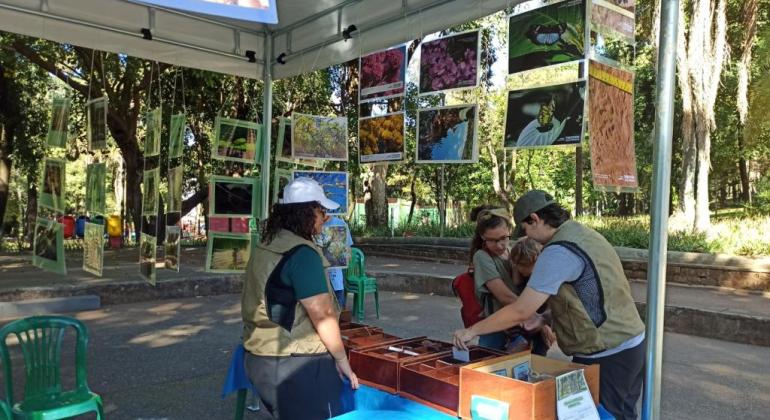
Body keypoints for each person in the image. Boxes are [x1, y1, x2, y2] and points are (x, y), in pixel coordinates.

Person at [454, 190, 645, 420]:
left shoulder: (559, 251)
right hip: (627, 343)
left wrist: (472, 331)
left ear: (534, 219)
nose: (527, 238)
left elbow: (520, 309)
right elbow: (585, 297)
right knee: (622, 413)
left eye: (524, 230)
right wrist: (544, 319)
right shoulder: (584, 234)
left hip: (607, 352)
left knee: (606, 415)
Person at [241, 177, 359, 420]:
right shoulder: (303, 255)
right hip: (295, 362)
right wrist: (341, 358)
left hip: (260, 357)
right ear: (305, 213)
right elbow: (323, 316)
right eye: (321, 211)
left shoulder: (267, 244)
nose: (324, 218)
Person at [468, 205, 526, 351]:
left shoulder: (512, 250)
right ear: (483, 237)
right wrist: (535, 316)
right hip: (496, 326)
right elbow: (505, 296)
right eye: (492, 240)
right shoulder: (482, 257)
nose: (500, 245)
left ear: (509, 231)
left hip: (519, 323)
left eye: (503, 238)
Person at [509, 237, 556, 356]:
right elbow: (516, 282)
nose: (521, 269)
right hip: (526, 317)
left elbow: (551, 302)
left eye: (524, 265)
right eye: (518, 265)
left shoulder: (545, 274)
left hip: (542, 314)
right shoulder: (521, 272)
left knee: (540, 348)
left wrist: (545, 324)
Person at [318, 215, 353, 308]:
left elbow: (348, 252)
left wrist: (345, 255)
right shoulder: (312, 224)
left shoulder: (340, 224)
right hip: (319, 277)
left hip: (336, 277)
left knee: (338, 306)